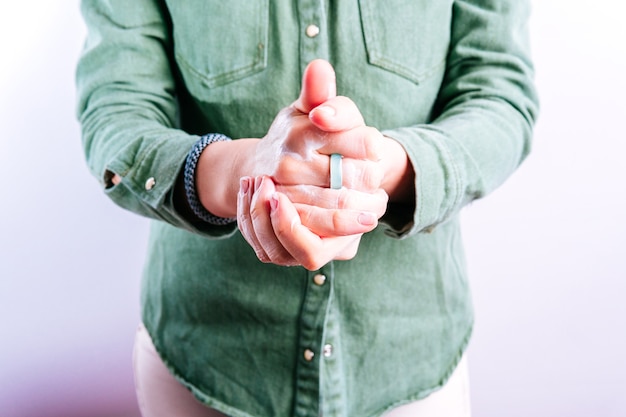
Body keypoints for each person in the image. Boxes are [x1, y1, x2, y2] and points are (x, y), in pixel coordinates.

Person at [76, 1, 538, 416]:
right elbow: (118, 109)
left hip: (408, 356)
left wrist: (379, 169)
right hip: (207, 355)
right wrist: (245, 169)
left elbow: (497, 94)